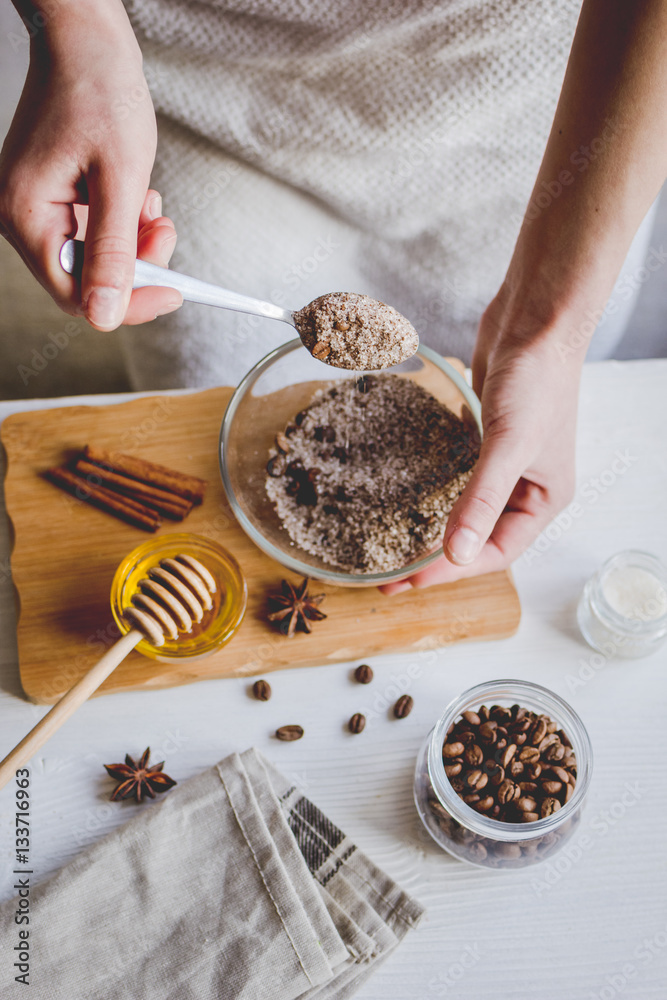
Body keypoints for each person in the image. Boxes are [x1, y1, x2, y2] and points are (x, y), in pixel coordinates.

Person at [1, 0, 666, 594]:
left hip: (549, 105)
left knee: (501, 396)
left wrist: (548, 328)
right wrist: (77, 27)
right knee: (203, 368)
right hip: (212, 84)